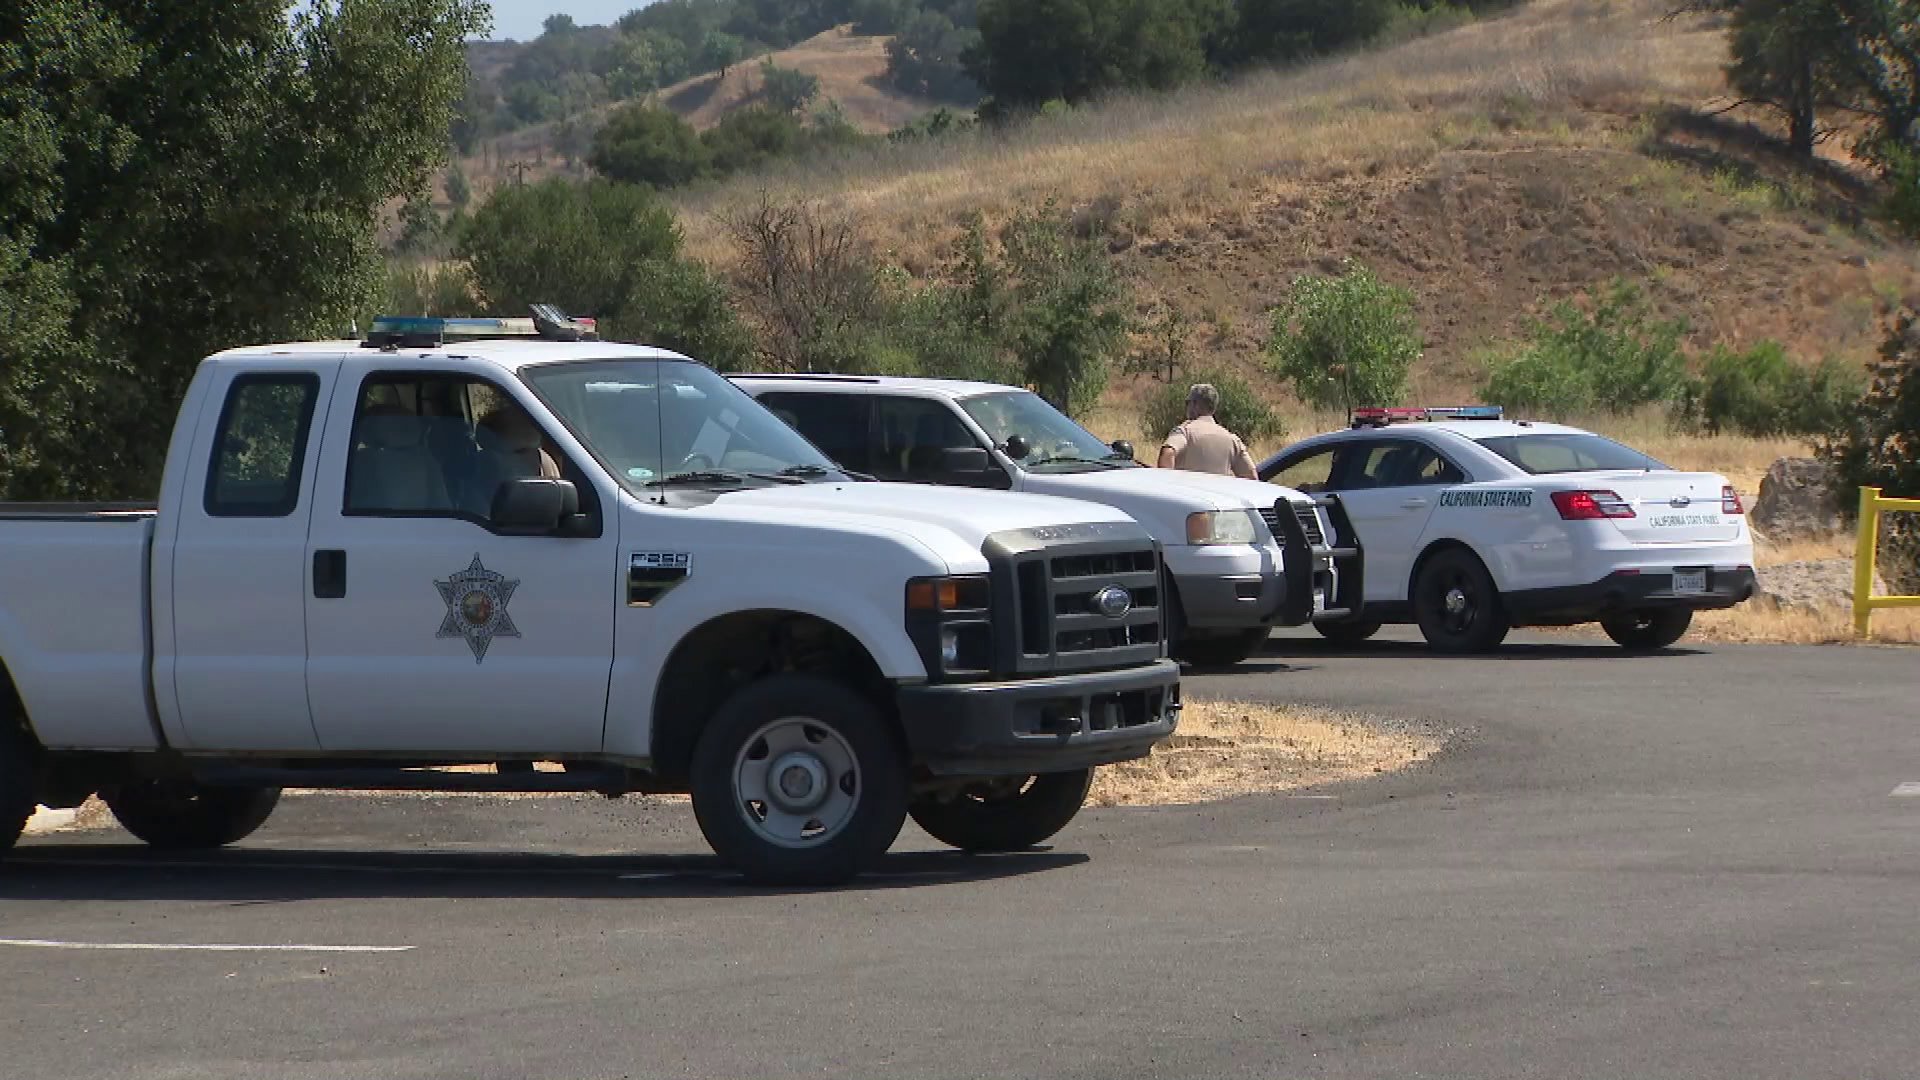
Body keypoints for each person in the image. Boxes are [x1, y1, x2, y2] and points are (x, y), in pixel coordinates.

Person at [1158, 383, 1257, 479]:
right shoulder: (1232, 440)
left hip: (1186, 489)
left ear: (1195, 404)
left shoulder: (1185, 432)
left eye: (1187, 402)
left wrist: (1167, 483)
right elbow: (1251, 476)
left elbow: (1168, 453)